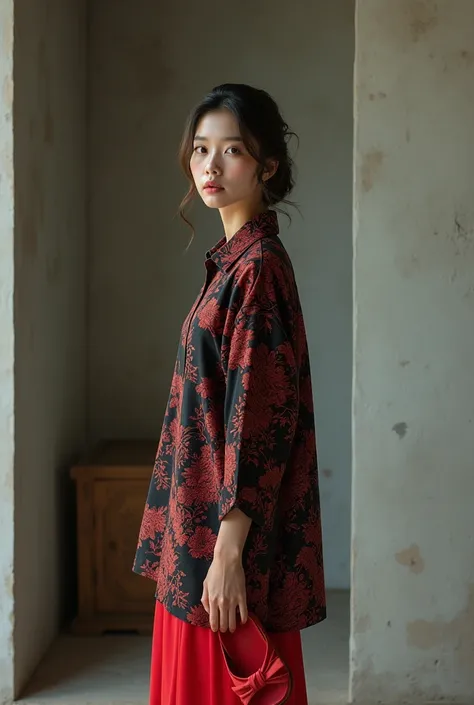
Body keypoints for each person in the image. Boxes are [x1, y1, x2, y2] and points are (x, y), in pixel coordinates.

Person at [133, 83, 326, 705]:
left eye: (232, 150)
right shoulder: (236, 262)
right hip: (195, 534)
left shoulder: (260, 268)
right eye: (200, 150)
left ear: (267, 165)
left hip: (217, 544)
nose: (209, 167)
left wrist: (228, 555)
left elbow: (262, 423)